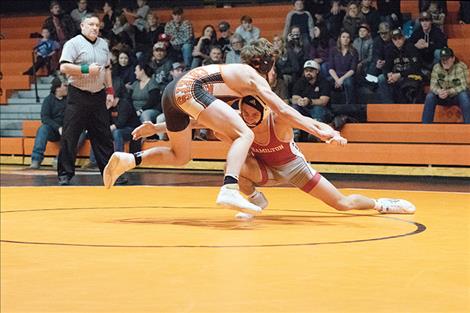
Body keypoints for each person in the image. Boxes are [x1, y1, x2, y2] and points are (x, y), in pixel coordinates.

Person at [103, 38, 340, 215]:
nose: (273, 72)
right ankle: (229, 188)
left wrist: (157, 129)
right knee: (244, 133)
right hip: (189, 89)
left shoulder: (233, 84)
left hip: (174, 94)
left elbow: (200, 118)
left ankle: (129, 160)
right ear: (265, 63)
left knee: (180, 156)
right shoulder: (251, 75)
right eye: (273, 66)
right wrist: (319, 131)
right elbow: (283, 110)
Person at [131, 95, 416, 219]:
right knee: (232, 158)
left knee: (342, 204)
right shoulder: (238, 121)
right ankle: (256, 200)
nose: (249, 119)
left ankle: (382, 204)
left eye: (254, 115)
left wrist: (331, 134)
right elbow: (196, 123)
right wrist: (155, 127)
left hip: (294, 169)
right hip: (262, 169)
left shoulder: (277, 120)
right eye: (245, 114)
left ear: (264, 112)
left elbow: (308, 122)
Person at [57, 13, 116, 186]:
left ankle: (109, 173)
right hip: (78, 94)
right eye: (91, 24)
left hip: (98, 95)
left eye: (97, 25)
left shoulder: (103, 44)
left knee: (104, 137)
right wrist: (85, 69)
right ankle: (65, 174)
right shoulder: (73, 43)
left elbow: (107, 69)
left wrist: (110, 90)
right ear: (82, 26)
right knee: (70, 135)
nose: (95, 28)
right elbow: (64, 67)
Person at [422, 47, 470, 124]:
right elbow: (433, 86)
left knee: (464, 95)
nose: (445, 62)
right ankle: (425, 126)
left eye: (447, 59)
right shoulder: (436, 68)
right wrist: (439, 91)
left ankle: (468, 126)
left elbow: (464, 85)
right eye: (443, 59)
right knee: (430, 96)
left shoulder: (461, 67)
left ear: (453, 58)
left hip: (456, 96)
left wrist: (450, 91)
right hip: (442, 96)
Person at [30, 77, 68, 169]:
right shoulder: (48, 100)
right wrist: (58, 127)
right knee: (43, 129)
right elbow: (45, 118)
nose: (67, 88)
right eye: (64, 86)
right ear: (57, 88)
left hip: (67, 129)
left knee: (75, 131)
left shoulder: (69, 100)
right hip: (54, 130)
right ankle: (36, 159)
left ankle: (60, 159)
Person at [378, 28, 423, 104]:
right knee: (381, 78)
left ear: (403, 38)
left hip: (409, 76)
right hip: (395, 76)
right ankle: (389, 106)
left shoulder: (411, 48)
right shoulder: (389, 49)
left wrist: (400, 75)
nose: (397, 41)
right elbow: (386, 67)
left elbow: (416, 68)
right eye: (395, 39)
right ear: (392, 40)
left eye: (399, 38)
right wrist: (388, 74)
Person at [291, 60, 331, 141]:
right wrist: (300, 101)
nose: (308, 73)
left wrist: (310, 101)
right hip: (305, 109)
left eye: (311, 71)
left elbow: (324, 101)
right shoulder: (300, 81)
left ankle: (315, 133)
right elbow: (294, 98)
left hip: (323, 111)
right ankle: (295, 132)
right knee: (294, 107)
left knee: (318, 108)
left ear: (317, 71)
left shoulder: (324, 82)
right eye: (306, 71)